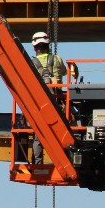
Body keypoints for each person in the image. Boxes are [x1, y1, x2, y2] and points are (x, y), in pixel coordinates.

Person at [27, 31, 69, 162]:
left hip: (39, 104)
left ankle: (38, 163)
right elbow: (64, 71)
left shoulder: (30, 63)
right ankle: (66, 161)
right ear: (48, 45)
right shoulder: (57, 59)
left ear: (34, 47)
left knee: (39, 135)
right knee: (63, 130)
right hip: (57, 102)